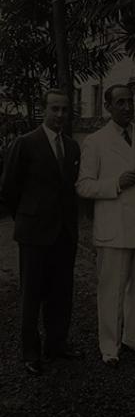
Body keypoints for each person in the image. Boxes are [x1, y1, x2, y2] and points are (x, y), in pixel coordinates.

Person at [76, 84, 135, 367]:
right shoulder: (96, 141)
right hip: (114, 228)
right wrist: (116, 183)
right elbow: (84, 186)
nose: (127, 107)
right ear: (108, 107)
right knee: (111, 290)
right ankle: (109, 346)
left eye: (130, 101)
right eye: (121, 102)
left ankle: (134, 338)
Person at [0, 89, 83, 376]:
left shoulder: (72, 147)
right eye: (54, 109)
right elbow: (9, 189)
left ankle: (56, 345)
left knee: (61, 292)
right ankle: (30, 352)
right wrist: (27, 217)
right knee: (32, 294)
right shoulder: (26, 143)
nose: (60, 115)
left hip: (63, 233)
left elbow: (69, 190)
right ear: (44, 110)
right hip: (34, 234)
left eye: (64, 110)